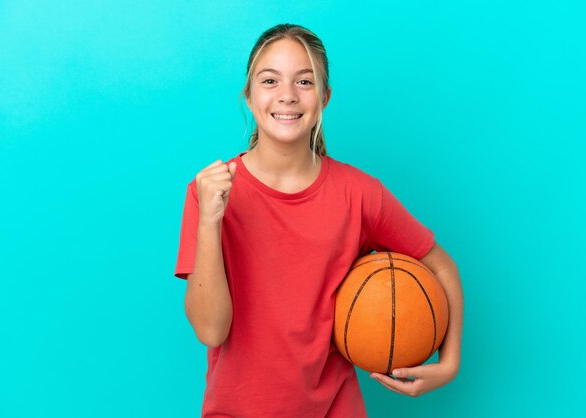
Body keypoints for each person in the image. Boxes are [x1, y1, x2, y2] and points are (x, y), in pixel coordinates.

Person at [174, 23, 463, 418]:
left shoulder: (359, 194)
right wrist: (210, 220)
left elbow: (441, 266)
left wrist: (448, 364)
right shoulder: (209, 192)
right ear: (249, 95)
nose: (288, 96)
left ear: (324, 97)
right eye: (270, 80)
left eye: (304, 81)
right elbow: (210, 331)